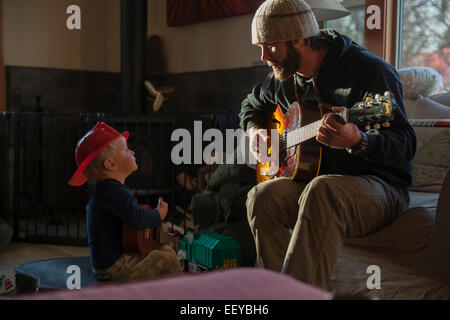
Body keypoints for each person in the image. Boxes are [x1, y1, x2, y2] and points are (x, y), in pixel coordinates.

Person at [240, 0, 416, 290]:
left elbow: (405, 144)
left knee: (322, 190)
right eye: (259, 46)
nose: (263, 56)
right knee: (261, 196)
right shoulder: (284, 77)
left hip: (380, 188)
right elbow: (251, 104)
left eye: (270, 45)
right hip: (317, 182)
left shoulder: (369, 71)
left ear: (298, 37)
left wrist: (359, 140)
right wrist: (256, 130)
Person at [68, 122, 182, 281]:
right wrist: (158, 214)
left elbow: (128, 218)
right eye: (127, 150)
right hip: (113, 267)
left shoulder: (107, 190)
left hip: (109, 260)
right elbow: (137, 219)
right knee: (168, 259)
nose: (133, 152)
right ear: (111, 164)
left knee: (163, 251)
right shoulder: (115, 192)